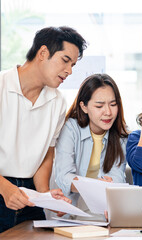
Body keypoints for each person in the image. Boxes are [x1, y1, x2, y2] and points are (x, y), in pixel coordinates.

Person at [0, 26, 87, 232]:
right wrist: (4, 188)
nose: (69, 71)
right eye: (65, 60)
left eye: (73, 65)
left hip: (29, 196)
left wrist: (45, 195)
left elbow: (47, 154)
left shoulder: (57, 102)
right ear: (42, 53)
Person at [54, 73, 129, 219]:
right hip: (72, 210)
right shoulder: (70, 128)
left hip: (104, 212)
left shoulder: (121, 133)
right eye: (99, 106)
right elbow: (63, 176)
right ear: (84, 106)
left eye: (113, 105)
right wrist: (96, 186)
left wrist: (109, 184)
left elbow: (117, 177)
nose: (108, 112)